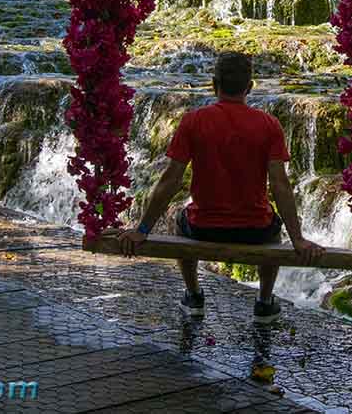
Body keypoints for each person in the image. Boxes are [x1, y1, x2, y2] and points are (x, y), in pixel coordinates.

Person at [118, 51, 324, 323]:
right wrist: (297, 239)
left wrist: (142, 230)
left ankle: (193, 296)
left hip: (204, 227)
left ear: (213, 84)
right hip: (256, 230)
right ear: (250, 87)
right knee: (272, 221)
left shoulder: (193, 121)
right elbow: (280, 185)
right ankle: (264, 301)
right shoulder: (268, 124)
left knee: (181, 219)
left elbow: (171, 180)